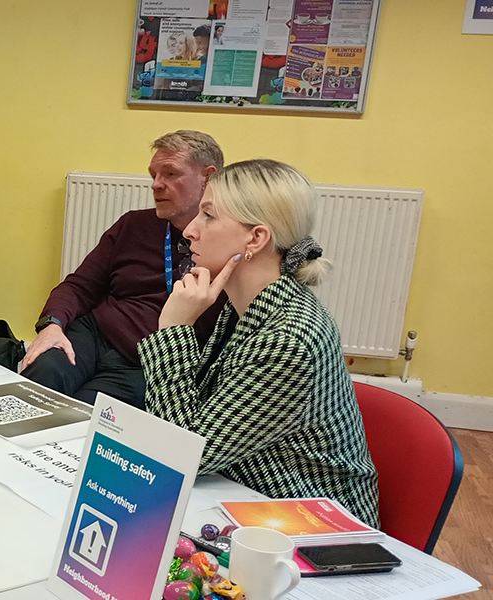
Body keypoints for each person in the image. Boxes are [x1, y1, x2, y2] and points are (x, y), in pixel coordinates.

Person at [139, 159, 380, 527]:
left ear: (256, 239)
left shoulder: (287, 340)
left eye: (208, 215)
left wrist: (172, 329)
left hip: (311, 532)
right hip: (244, 499)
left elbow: (182, 456)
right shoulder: (247, 307)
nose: (189, 230)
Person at [22, 131, 226, 409]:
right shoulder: (133, 225)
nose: (156, 185)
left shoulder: (228, 242)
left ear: (208, 177)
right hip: (94, 335)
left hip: (148, 361)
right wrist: (51, 326)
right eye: (153, 174)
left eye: (170, 174)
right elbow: (79, 286)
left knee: (85, 412)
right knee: (41, 375)